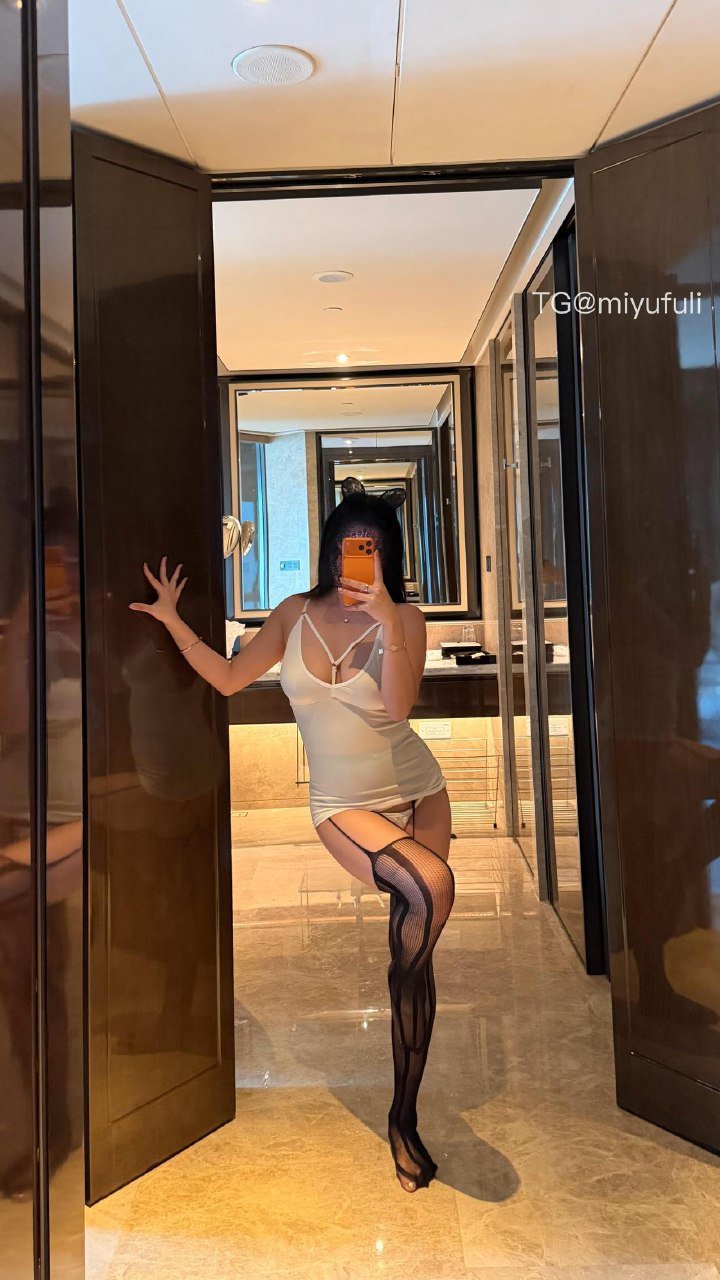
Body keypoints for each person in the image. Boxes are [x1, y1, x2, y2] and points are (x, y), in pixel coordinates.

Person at [129, 477, 455, 1192]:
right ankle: (403, 1052)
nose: (353, 561)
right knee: (430, 888)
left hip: (417, 791)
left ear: (387, 555)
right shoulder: (292, 615)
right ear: (328, 550)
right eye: (344, 547)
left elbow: (399, 707)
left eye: (368, 549)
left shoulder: (406, 618)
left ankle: (404, 1118)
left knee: (415, 955)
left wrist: (390, 625)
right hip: (343, 804)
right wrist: (174, 620)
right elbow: (226, 678)